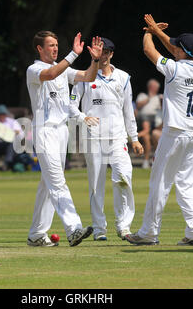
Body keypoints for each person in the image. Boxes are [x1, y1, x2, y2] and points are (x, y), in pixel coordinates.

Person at [125, 14, 193, 246]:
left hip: (174, 134)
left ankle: (149, 232)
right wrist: (157, 30)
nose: (174, 47)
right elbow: (175, 48)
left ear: (181, 52)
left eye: (177, 46)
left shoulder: (175, 69)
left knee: (159, 182)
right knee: (187, 183)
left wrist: (148, 33)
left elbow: (149, 52)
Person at [26, 30, 102, 247]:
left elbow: (89, 77)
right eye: (50, 45)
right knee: (57, 182)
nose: (55, 48)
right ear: (40, 49)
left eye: (56, 44)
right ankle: (74, 228)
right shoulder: (34, 69)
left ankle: (36, 234)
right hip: (45, 131)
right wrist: (74, 54)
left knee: (47, 184)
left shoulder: (64, 70)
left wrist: (95, 59)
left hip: (61, 133)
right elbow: (50, 74)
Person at [69, 37, 144, 241]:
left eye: (104, 52)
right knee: (96, 183)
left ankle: (124, 226)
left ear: (111, 54)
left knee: (123, 177)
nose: (101, 56)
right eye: (97, 52)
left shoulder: (123, 78)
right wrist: (83, 117)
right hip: (93, 136)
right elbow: (71, 105)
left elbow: (128, 111)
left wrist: (134, 138)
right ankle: (99, 228)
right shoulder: (84, 77)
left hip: (117, 137)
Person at [0, 104, 23, 171]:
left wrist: (16, 132)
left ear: (6, 114)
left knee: (11, 145)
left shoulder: (12, 122)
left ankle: (6, 165)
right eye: (0, 114)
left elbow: (21, 134)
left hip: (7, 144)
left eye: (3, 114)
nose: (1, 116)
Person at [135, 79, 162, 168]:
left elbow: (162, 110)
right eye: (154, 87)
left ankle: (157, 160)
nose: (155, 89)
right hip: (141, 120)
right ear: (150, 87)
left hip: (154, 122)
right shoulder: (142, 95)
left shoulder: (159, 98)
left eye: (156, 87)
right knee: (146, 136)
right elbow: (138, 106)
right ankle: (146, 161)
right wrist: (149, 98)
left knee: (153, 137)